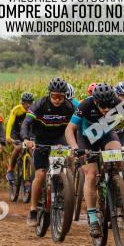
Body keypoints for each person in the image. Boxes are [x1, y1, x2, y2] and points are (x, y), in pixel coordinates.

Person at [66, 82, 124, 238]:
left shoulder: (117, 103)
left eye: (109, 106)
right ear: (95, 101)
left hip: (106, 134)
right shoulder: (85, 104)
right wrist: (76, 148)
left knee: (117, 154)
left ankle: (116, 186)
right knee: (91, 173)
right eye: (103, 106)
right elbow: (70, 129)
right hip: (86, 137)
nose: (107, 110)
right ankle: (93, 218)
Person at [20, 78, 74, 223]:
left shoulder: (69, 107)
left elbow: (77, 127)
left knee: (69, 159)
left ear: (65, 96)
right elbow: (26, 122)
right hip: (41, 139)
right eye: (54, 96)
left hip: (59, 138)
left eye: (61, 97)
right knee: (41, 174)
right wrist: (26, 138)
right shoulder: (40, 104)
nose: (57, 100)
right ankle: (32, 210)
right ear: (49, 94)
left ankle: (64, 188)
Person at [5, 92, 36, 185]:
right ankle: (10, 169)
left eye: (30, 102)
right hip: (16, 133)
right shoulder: (17, 110)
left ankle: (28, 176)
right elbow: (10, 124)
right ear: (22, 103)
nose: (28, 105)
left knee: (31, 150)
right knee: (18, 148)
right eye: (26, 103)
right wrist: (8, 137)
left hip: (27, 133)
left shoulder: (34, 110)